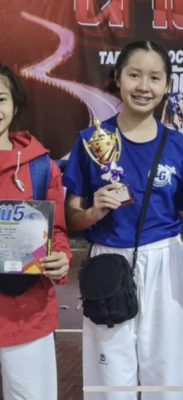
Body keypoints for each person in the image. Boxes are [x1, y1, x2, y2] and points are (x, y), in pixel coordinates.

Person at [63, 41, 183, 400]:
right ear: (118, 78)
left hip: (167, 264)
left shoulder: (181, 146)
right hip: (108, 262)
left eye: (154, 78)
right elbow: (72, 217)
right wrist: (94, 211)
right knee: (111, 381)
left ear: (167, 85)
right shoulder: (91, 141)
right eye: (134, 75)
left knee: (169, 378)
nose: (144, 86)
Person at [0, 63, 71, 400]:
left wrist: (61, 258)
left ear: (15, 105)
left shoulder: (41, 167)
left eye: (0, 98)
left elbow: (56, 231)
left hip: (26, 315)